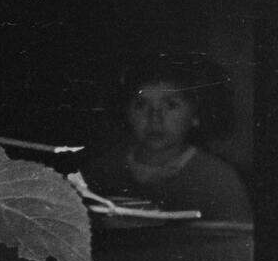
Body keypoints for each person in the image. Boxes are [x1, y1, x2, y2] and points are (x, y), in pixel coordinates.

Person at [82, 52, 252, 221]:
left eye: (171, 105)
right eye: (141, 105)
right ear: (126, 113)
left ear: (195, 115)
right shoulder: (101, 172)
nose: (155, 119)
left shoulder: (218, 179)